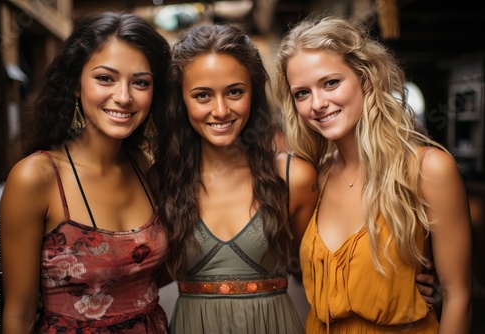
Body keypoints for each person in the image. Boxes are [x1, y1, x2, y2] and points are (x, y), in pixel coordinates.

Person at [275, 15, 473, 333]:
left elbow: (458, 296)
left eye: (330, 83)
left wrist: (409, 290)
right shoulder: (314, 178)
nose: (318, 103)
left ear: (365, 79)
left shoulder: (428, 170)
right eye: (302, 93)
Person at [0, 11, 171, 333]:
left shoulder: (145, 168)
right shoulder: (36, 177)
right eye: (105, 78)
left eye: (140, 82)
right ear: (76, 85)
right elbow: (14, 314)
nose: (123, 97)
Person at [153, 23, 318, 334]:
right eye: (202, 95)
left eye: (234, 92)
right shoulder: (160, 180)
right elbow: (142, 275)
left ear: (253, 93)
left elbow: (315, 272)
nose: (220, 110)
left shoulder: (293, 176)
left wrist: (405, 281)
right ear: (181, 100)